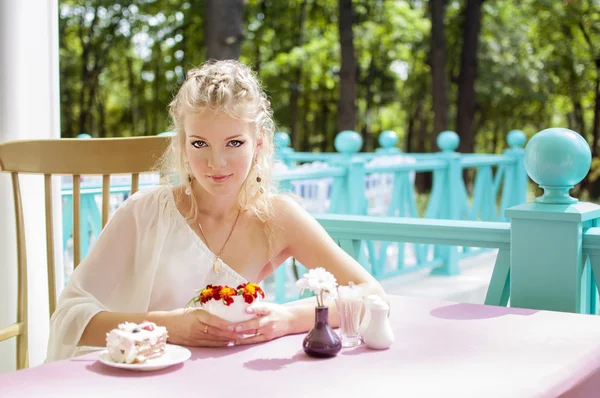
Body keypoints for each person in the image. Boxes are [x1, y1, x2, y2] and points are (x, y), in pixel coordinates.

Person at [46, 59, 386, 362]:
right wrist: (170, 326)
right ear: (182, 143)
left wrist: (287, 320)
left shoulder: (278, 217)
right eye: (199, 144)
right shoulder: (143, 212)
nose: (216, 163)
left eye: (234, 143)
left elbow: (370, 293)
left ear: (260, 142)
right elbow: (69, 315)